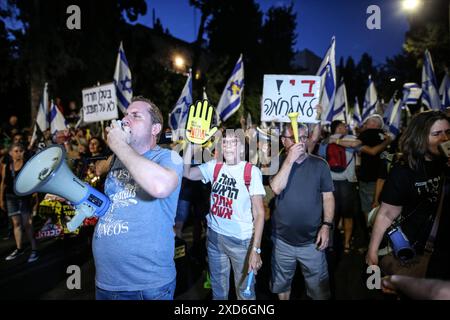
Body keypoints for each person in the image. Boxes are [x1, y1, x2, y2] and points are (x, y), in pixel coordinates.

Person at [92, 96, 183, 300]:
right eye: (125, 115)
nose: (125, 120)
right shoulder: (118, 160)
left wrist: (119, 146)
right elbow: (111, 205)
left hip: (145, 286)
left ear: (155, 129)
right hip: (106, 282)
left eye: (135, 116)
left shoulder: (168, 157)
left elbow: (160, 186)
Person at [183, 129, 266, 300]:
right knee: (218, 291)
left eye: (233, 142)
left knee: (244, 293)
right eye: (225, 142)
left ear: (242, 148)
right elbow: (187, 173)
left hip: (241, 242)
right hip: (214, 238)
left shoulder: (251, 172)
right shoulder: (215, 165)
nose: (227, 146)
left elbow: (259, 213)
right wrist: (190, 146)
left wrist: (255, 249)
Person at [366, 110, 450, 279]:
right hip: (417, 250)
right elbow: (387, 214)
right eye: (437, 134)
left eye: (448, 132)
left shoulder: (446, 165)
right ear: (420, 137)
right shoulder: (404, 170)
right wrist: (372, 250)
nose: (445, 139)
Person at [269, 123, 335, 300]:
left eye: (303, 138)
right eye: (294, 138)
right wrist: (290, 160)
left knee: (318, 291)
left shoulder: (320, 165)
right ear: (284, 141)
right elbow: (276, 187)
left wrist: (327, 225)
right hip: (282, 241)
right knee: (282, 286)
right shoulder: (276, 163)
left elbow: (328, 197)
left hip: (312, 242)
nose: (300, 142)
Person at [321, 120, 361, 253]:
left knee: (330, 215)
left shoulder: (325, 141)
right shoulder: (350, 138)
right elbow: (358, 144)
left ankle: (330, 243)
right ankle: (347, 244)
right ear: (338, 128)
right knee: (348, 215)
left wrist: (334, 142)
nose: (346, 128)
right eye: (344, 126)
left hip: (329, 182)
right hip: (346, 182)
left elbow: (321, 158)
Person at [1, 143, 39, 263]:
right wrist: (1, 199)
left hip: (24, 197)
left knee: (27, 224)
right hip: (11, 197)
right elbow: (3, 183)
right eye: (15, 151)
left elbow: (34, 180)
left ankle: (34, 250)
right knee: (16, 223)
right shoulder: (7, 166)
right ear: (10, 153)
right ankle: (19, 248)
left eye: (20, 151)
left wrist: (35, 197)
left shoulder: (27, 165)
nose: (18, 153)